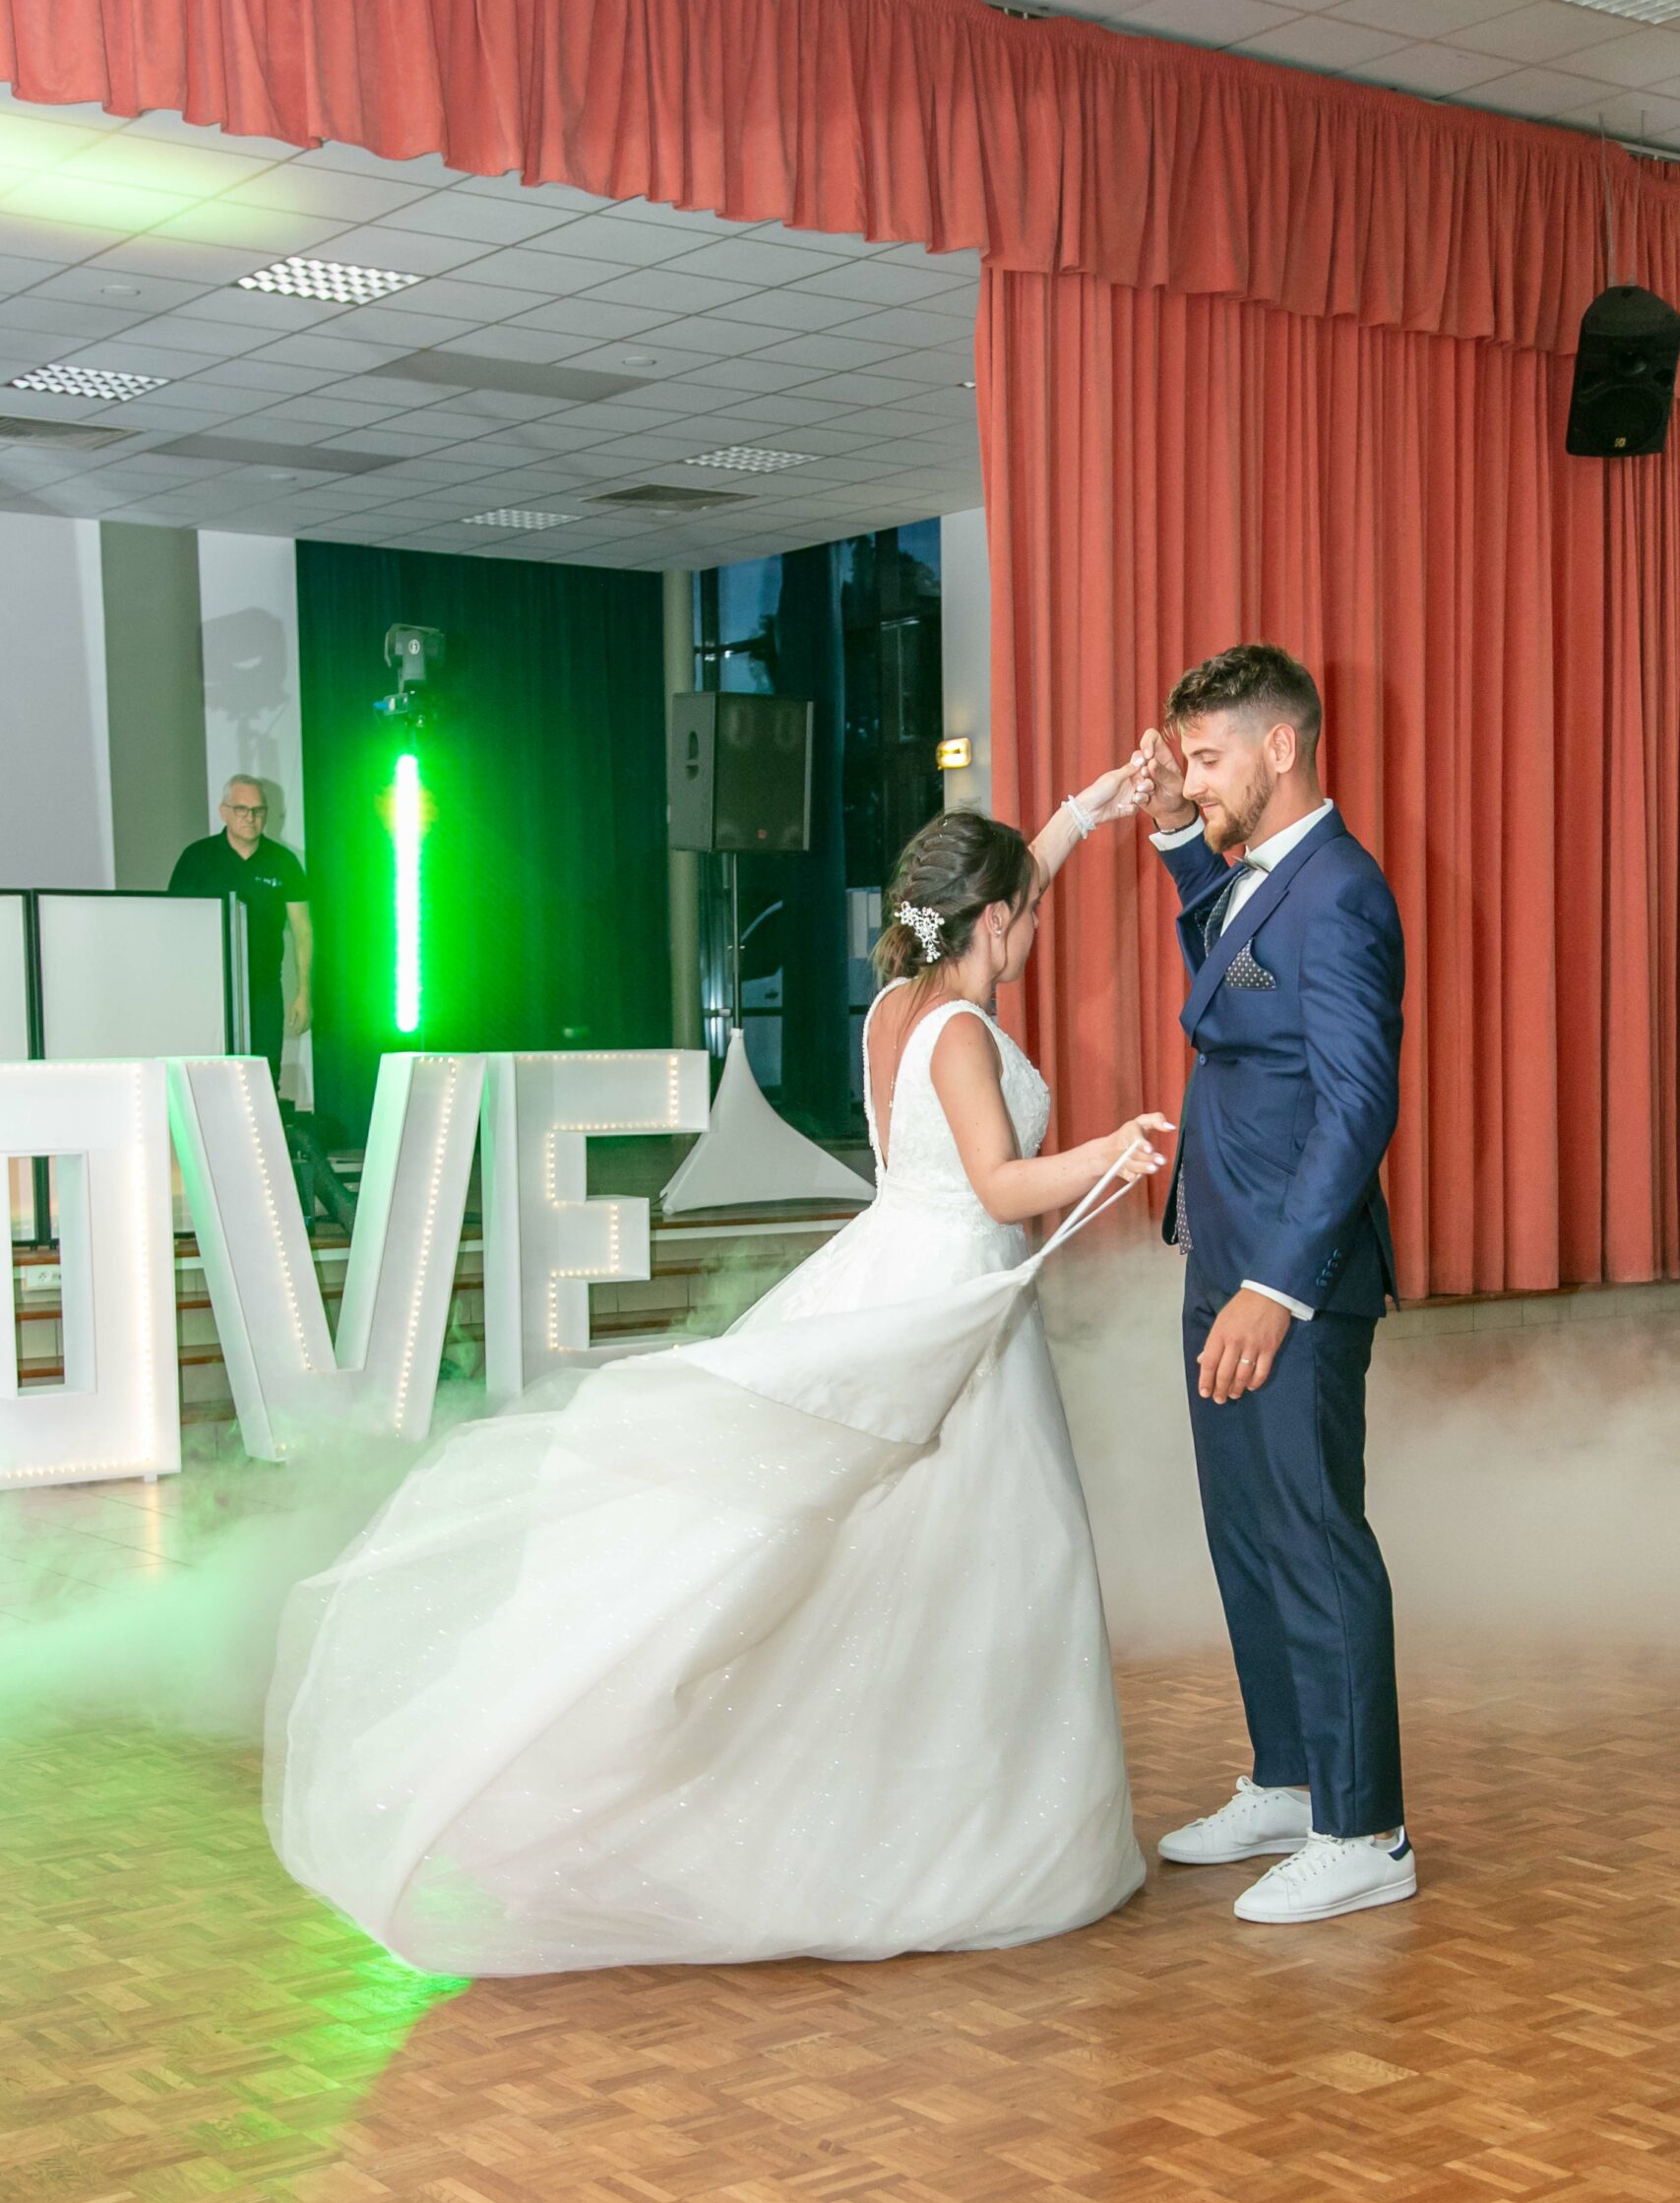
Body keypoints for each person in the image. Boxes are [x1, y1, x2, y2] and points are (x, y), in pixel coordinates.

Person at [264, 779, 1174, 1977]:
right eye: (1028, 909)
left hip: (899, 1268)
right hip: (954, 1302)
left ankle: (944, 1810)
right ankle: (980, 1839)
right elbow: (1002, 1187)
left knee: (914, 1554)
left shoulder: (898, 1003)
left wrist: (1085, 812)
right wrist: (1111, 1150)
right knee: (1002, 1554)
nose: (1040, 921)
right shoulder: (958, 1032)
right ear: (991, 919)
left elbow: (1006, 896)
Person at [1138, 644, 1411, 1926]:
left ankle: (1365, 1831)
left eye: (1205, 760)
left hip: (1287, 1282)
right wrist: (1171, 837)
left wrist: (1277, 1288)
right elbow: (1229, 966)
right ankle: (1290, 1780)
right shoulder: (1264, 878)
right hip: (1223, 1256)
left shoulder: (1340, 894)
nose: (1192, 780)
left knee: (1311, 1537)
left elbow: (1357, 1107)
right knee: (1244, 1532)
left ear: (1280, 747)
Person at [169, 777, 311, 1091]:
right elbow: (175, 923)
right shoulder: (197, 858)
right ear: (224, 812)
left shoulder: (283, 861)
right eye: (241, 810)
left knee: (264, 1074)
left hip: (264, 986)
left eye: (258, 810)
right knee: (207, 1075)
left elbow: (303, 930)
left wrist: (304, 993)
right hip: (208, 985)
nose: (250, 818)